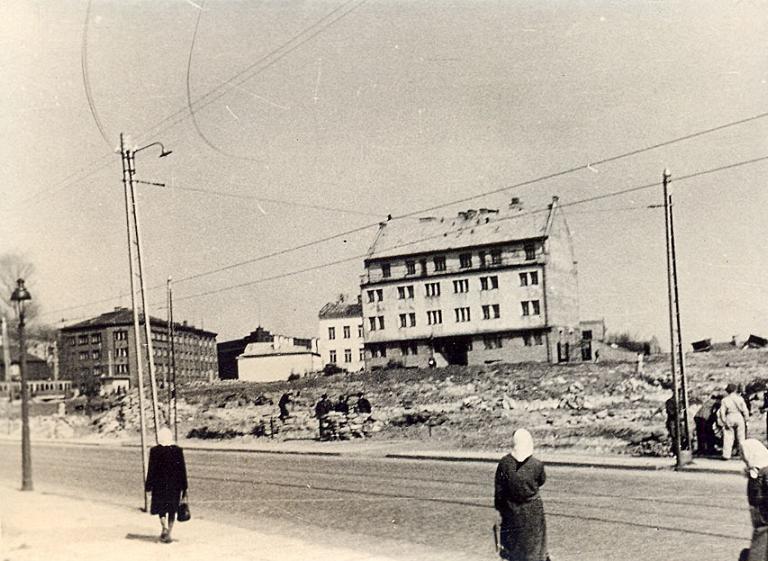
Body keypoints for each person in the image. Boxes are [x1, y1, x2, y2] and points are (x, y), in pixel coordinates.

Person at [494, 429, 548, 561]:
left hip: (511, 510)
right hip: (533, 511)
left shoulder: (505, 463)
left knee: (513, 547)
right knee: (535, 546)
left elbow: (499, 490)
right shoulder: (537, 464)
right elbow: (541, 480)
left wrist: (501, 508)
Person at [145, 427, 188, 544]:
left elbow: (151, 470)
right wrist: (184, 487)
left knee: (161, 509)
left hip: (159, 486)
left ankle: (163, 527)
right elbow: (182, 470)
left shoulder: (154, 451)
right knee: (172, 510)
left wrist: (148, 486)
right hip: (174, 486)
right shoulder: (178, 451)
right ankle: (169, 531)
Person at [741, 439, 768, 561]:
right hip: (760, 516)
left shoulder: (765, 472)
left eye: (743, 453)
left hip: (764, 516)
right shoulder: (755, 470)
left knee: (759, 549)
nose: (742, 457)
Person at [718, 383, 750, 460]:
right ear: (735, 390)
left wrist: (724, 421)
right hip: (739, 417)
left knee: (728, 436)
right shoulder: (740, 399)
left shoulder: (724, 400)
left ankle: (726, 455)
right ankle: (743, 454)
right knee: (741, 437)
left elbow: (722, 412)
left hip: (729, 416)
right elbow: (745, 410)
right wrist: (746, 419)